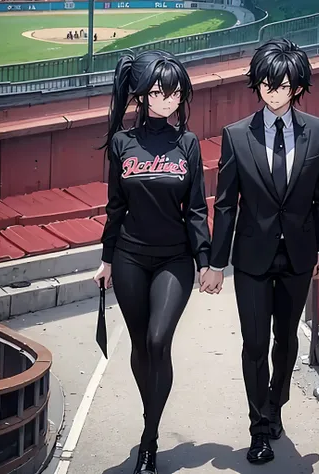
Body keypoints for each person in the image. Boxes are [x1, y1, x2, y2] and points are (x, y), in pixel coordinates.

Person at [201, 38, 319, 463]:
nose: (273, 92)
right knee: (255, 344)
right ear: (256, 85)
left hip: (298, 256)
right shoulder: (236, 135)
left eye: (282, 85)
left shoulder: (318, 129)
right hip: (253, 258)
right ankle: (258, 427)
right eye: (265, 84)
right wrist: (216, 263)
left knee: (286, 340)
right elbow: (224, 203)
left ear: (297, 87)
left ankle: (277, 405)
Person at [93, 50, 211, 474]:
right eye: (162, 91)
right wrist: (106, 260)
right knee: (141, 344)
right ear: (142, 94)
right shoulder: (122, 143)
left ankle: (149, 435)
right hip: (128, 258)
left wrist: (205, 261)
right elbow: (115, 207)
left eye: (177, 92)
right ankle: (151, 428)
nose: (170, 99)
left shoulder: (188, 143)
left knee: (160, 341)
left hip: (174, 260)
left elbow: (196, 209)